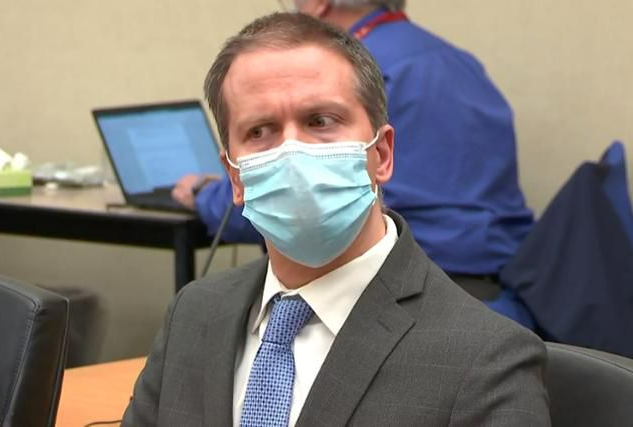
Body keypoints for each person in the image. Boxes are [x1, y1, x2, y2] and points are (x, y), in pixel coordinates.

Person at [124, 13, 549, 426]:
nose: (292, 153)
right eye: (260, 131)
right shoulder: (192, 315)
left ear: (381, 154)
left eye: (320, 121)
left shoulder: (486, 359)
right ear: (235, 177)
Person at [173, 0, 534, 280]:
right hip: (501, 288)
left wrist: (205, 196)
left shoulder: (357, 72)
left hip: (408, 288)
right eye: (260, 131)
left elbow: (298, 194)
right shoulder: (460, 63)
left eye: (319, 121)